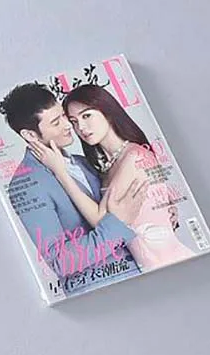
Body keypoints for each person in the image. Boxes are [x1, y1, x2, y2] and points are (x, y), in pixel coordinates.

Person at [29, 83, 194, 271]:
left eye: (86, 116)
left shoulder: (134, 157)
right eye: (74, 121)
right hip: (146, 268)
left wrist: (60, 172)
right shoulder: (106, 167)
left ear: (106, 111)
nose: (81, 127)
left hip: (171, 264)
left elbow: (103, 222)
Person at [0, 83, 146, 293]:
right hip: (100, 290)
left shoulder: (82, 162)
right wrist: (118, 224)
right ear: (30, 135)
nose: (68, 125)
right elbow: (61, 262)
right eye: (56, 122)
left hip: (139, 272)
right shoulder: (27, 184)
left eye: (63, 116)